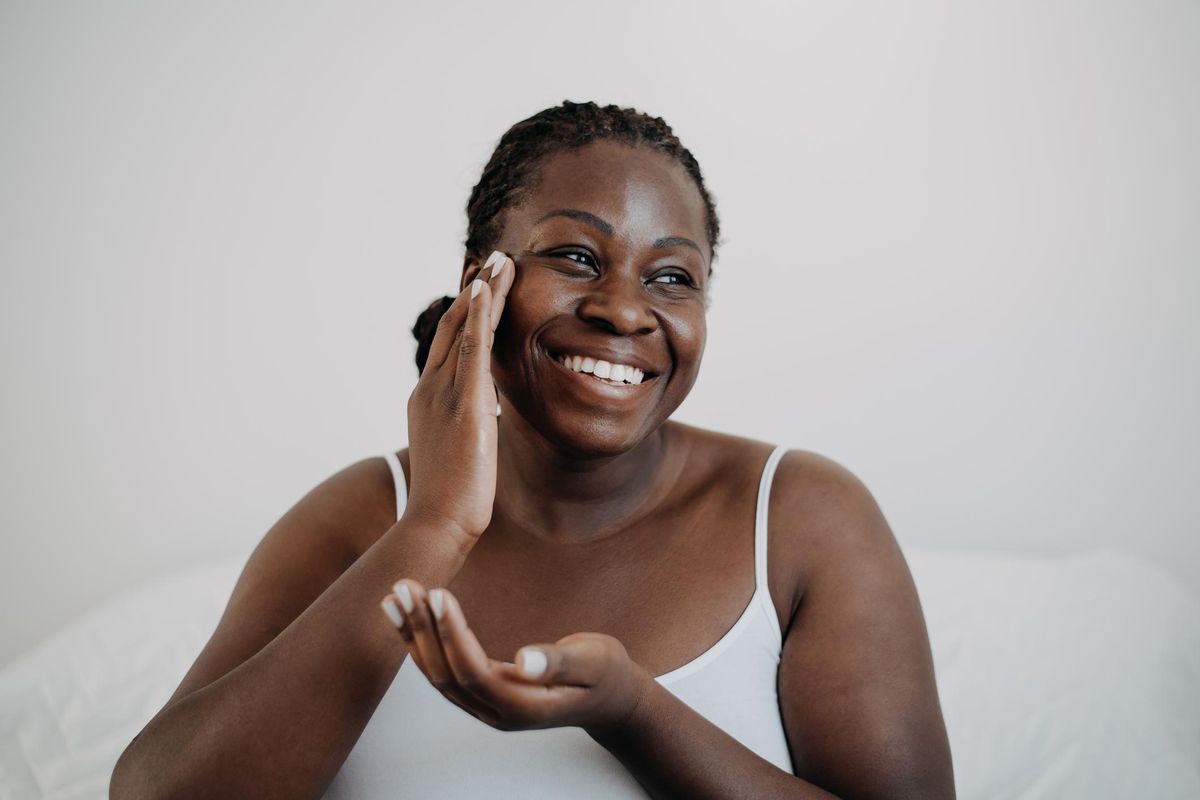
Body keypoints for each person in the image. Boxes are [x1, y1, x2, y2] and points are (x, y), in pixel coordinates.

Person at [111, 100, 955, 799]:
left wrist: (632, 711)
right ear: (484, 278)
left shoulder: (801, 515)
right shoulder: (361, 516)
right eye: (577, 257)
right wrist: (436, 525)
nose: (626, 311)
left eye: (672, 277)